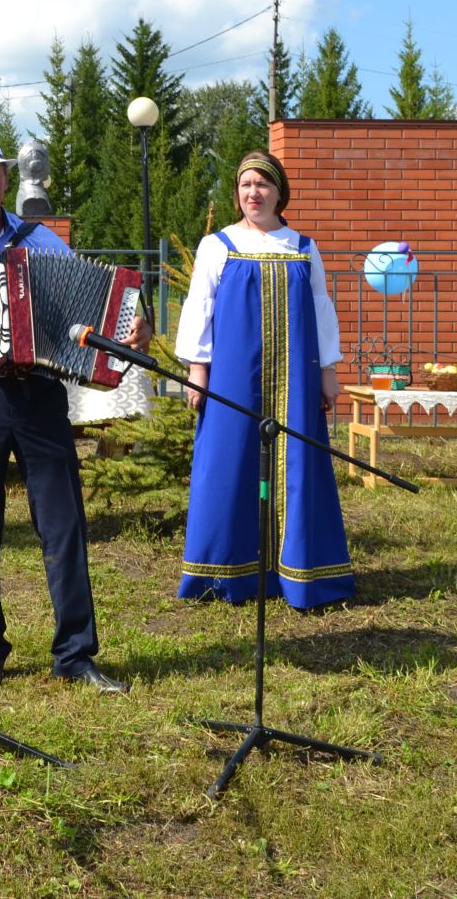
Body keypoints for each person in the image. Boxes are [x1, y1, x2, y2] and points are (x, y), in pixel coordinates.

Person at [0, 127, 150, 694]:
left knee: (63, 526)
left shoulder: (43, 243)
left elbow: (101, 312)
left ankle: (76, 653)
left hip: (39, 395)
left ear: (6, 180)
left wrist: (135, 329)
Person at [172, 150, 353, 610]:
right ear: (238, 194)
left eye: (263, 184)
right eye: (245, 184)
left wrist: (328, 373)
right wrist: (197, 368)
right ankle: (225, 573)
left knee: (298, 468)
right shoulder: (218, 245)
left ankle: (302, 573)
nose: (253, 192)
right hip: (234, 378)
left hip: (295, 379)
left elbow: (321, 310)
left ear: (279, 192)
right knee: (228, 462)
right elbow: (200, 308)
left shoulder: (303, 246)